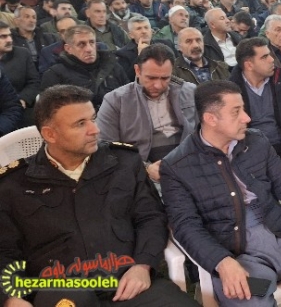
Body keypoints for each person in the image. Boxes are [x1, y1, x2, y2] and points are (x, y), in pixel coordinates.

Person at [160, 81, 281, 307]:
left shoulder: (255, 141)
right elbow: (186, 225)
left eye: (243, 109)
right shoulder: (176, 166)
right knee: (249, 298)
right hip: (236, 251)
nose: (246, 118)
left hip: (280, 231)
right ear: (211, 119)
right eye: (236, 112)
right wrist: (221, 262)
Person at [0, 85, 196, 307]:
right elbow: (4, 250)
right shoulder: (14, 184)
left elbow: (150, 217)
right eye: (80, 124)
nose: (95, 130)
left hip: (128, 282)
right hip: (61, 291)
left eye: (93, 119)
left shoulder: (124, 162)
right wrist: (10, 298)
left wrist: (142, 265)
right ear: (50, 134)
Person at [97, 44, 197, 181]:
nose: (158, 85)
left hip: (189, 161)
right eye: (151, 78)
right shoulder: (116, 100)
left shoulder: (190, 92)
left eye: (165, 78)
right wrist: (145, 168)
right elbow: (105, 148)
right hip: (140, 168)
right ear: (137, 70)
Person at [229, 37, 281, 159]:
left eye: (269, 55)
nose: (271, 60)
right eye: (264, 57)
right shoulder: (231, 91)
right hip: (249, 153)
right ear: (249, 65)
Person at [40, 25, 128, 108]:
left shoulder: (113, 66)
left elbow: (129, 96)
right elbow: (49, 111)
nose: (89, 49)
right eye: (81, 44)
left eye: (92, 42)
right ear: (68, 49)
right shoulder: (55, 74)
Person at [0, 21, 39, 126]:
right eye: (3, 37)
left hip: (19, 106)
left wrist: (23, 99)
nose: (9, 40)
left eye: (9, 35)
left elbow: (34, 81)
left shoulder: (22, 54)